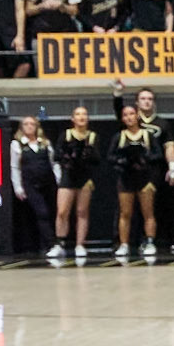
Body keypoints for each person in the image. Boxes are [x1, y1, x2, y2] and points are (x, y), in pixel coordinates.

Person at [110, 104, 163, 259]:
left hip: (145, 178)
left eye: (131, 114)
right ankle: (124, 244)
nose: (129, 117)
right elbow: (110, 157)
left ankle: (150, 242)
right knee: (125, 213)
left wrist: (144, 158)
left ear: (137, 116)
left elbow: (158, 154)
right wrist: (123, 160)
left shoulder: (148, 135)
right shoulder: (119, 136)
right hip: (126, 178)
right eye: (125, 115)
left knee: (148, 212)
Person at [49, 106, 101, 261]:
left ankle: (80, 244)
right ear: (73, 119)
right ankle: (60, 243)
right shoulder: (65, 135)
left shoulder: (92, 136)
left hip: (85, 177)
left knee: (82, 212)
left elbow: (97, 159)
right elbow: (57, 155)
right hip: (68, 176)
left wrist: (88, 154)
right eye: (78, 114)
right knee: (62, 211)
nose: (81, 117)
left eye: (84, 114)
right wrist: (68, 156)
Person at [11, 114, 57, 254]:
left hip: (47, 183)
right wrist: (18, 187)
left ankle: (49, 244)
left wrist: (58, 180)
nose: (29, 126)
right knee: (41, 212)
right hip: (29, 184)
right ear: (21, 127)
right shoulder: (17, 144)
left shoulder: (45, 143)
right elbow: (15, 167)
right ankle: (51, 244)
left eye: (32, 124)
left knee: (50, 213)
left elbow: (54, 163)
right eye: (26, 124)